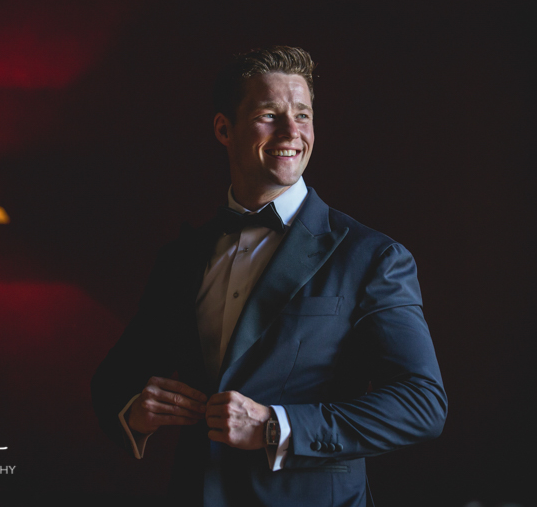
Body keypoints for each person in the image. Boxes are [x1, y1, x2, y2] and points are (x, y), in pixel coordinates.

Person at [91, 46, 446, 506]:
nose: (292, 132)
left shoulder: (373, 257)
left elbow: (422, 404)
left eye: (302, 114)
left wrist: (277, 427)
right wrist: (136, 411)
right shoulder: (182, 258)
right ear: (224, 129)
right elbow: (114, 382)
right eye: (269, 115)